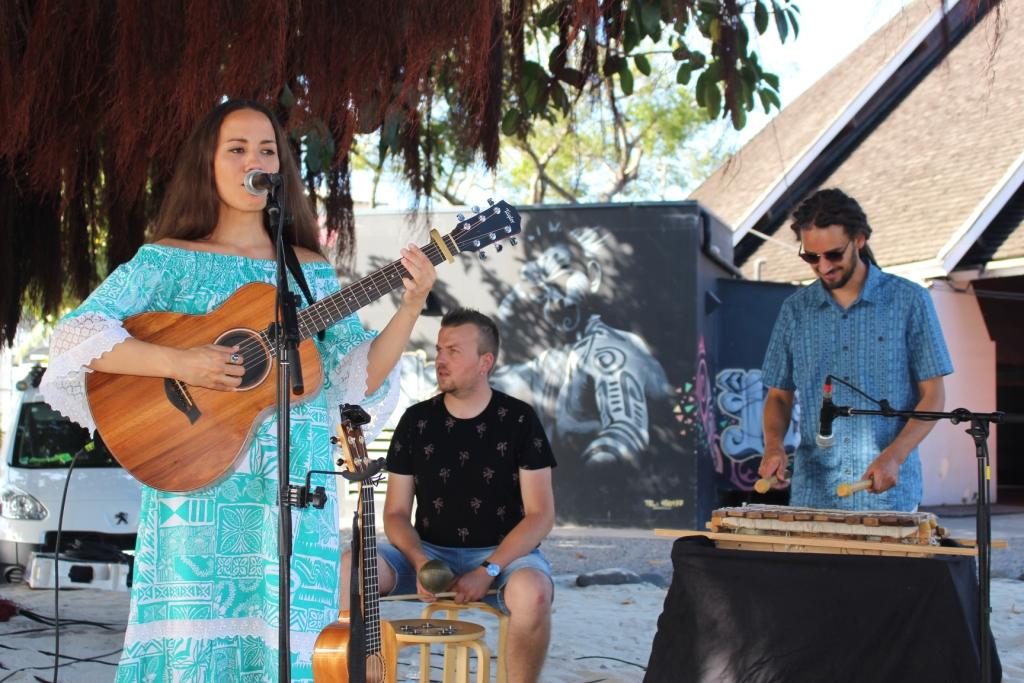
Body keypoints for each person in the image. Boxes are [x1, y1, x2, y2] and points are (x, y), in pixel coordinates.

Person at [39, 99, 436, 682]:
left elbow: (358, 376)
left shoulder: (308, 270)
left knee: (291, 647)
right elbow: (77, 335)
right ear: (208, 163)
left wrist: (411, 304)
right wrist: (183, 362)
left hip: (295, 490)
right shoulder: (167, 261)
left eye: (268, 150)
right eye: (238, 148)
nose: (256, 161)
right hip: (195, 476)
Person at [344, 308, 556, 683]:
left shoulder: (520, 419)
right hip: (426, 552)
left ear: (485, 362)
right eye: (440, 349)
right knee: (349, 570)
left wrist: (488, 569)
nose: (440, 359)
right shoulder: (416, 421)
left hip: (503, 556)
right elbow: (395, 514)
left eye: (454, 351)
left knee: (534, 593)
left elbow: (540, 515)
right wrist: (420, 561)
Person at [757, 188, 953, 511]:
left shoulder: (910, 301)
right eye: (811, 257)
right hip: (813, 496)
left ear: (859, 240)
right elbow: (779, 395)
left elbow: (933, 395)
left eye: (833, 255)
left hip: (887, 498)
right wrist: (774, 445)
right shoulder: (795, 311)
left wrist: (895, 455)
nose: (823, 266)